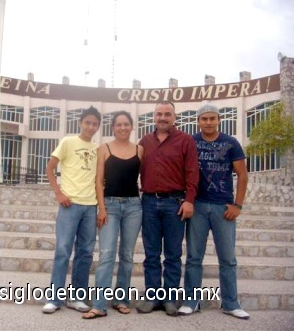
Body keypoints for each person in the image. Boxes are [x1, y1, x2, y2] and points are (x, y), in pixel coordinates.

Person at [178, 103, 250, 319]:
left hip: (223, 207)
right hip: (197, 205)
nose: (208, 122)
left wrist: (237, 205)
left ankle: (230, 303)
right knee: (193, 257)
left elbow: (242, 175)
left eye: (212, 118)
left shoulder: (230, 143)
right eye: (204, 119)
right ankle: (191, 301)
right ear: (198, 121)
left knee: (227, 258)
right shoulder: (190, 141)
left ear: (219, 119)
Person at [136, 101, 199, 317]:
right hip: (149, 203)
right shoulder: (144, 141)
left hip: (175, 203)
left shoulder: (185, 140)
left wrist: (189, 200)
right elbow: (132, 168)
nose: (162, 117)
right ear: (154, 116)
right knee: (151, 254)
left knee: (173, 254)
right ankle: (152, 297)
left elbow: (192, 173)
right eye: (159, 114)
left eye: (167, 114)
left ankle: (170, 299)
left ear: (174, 117)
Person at [82, 111, 144, 319]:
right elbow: (98, 181)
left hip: (134, 207)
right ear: (113, 127)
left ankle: (121, 299)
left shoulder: (140, 150)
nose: (123, 127)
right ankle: (99, 305)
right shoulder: (104, 149)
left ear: (132, 127)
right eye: (119, 124)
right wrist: (101, 208)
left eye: (127, 124)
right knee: (107, 254)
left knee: (127, 255)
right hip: (110, 206)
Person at [42, 106, 101, 314]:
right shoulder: (68, 142)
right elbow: (49, 167)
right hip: (69, 205)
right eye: (87, 122)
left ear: (98, 126)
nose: (90, 126)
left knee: (85, 253)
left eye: (94, 123)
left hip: (90, 206)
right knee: (63, 250)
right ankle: (55, 298)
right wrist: (58, 193)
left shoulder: (97, 149)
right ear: (80, 123)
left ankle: (77, 297)